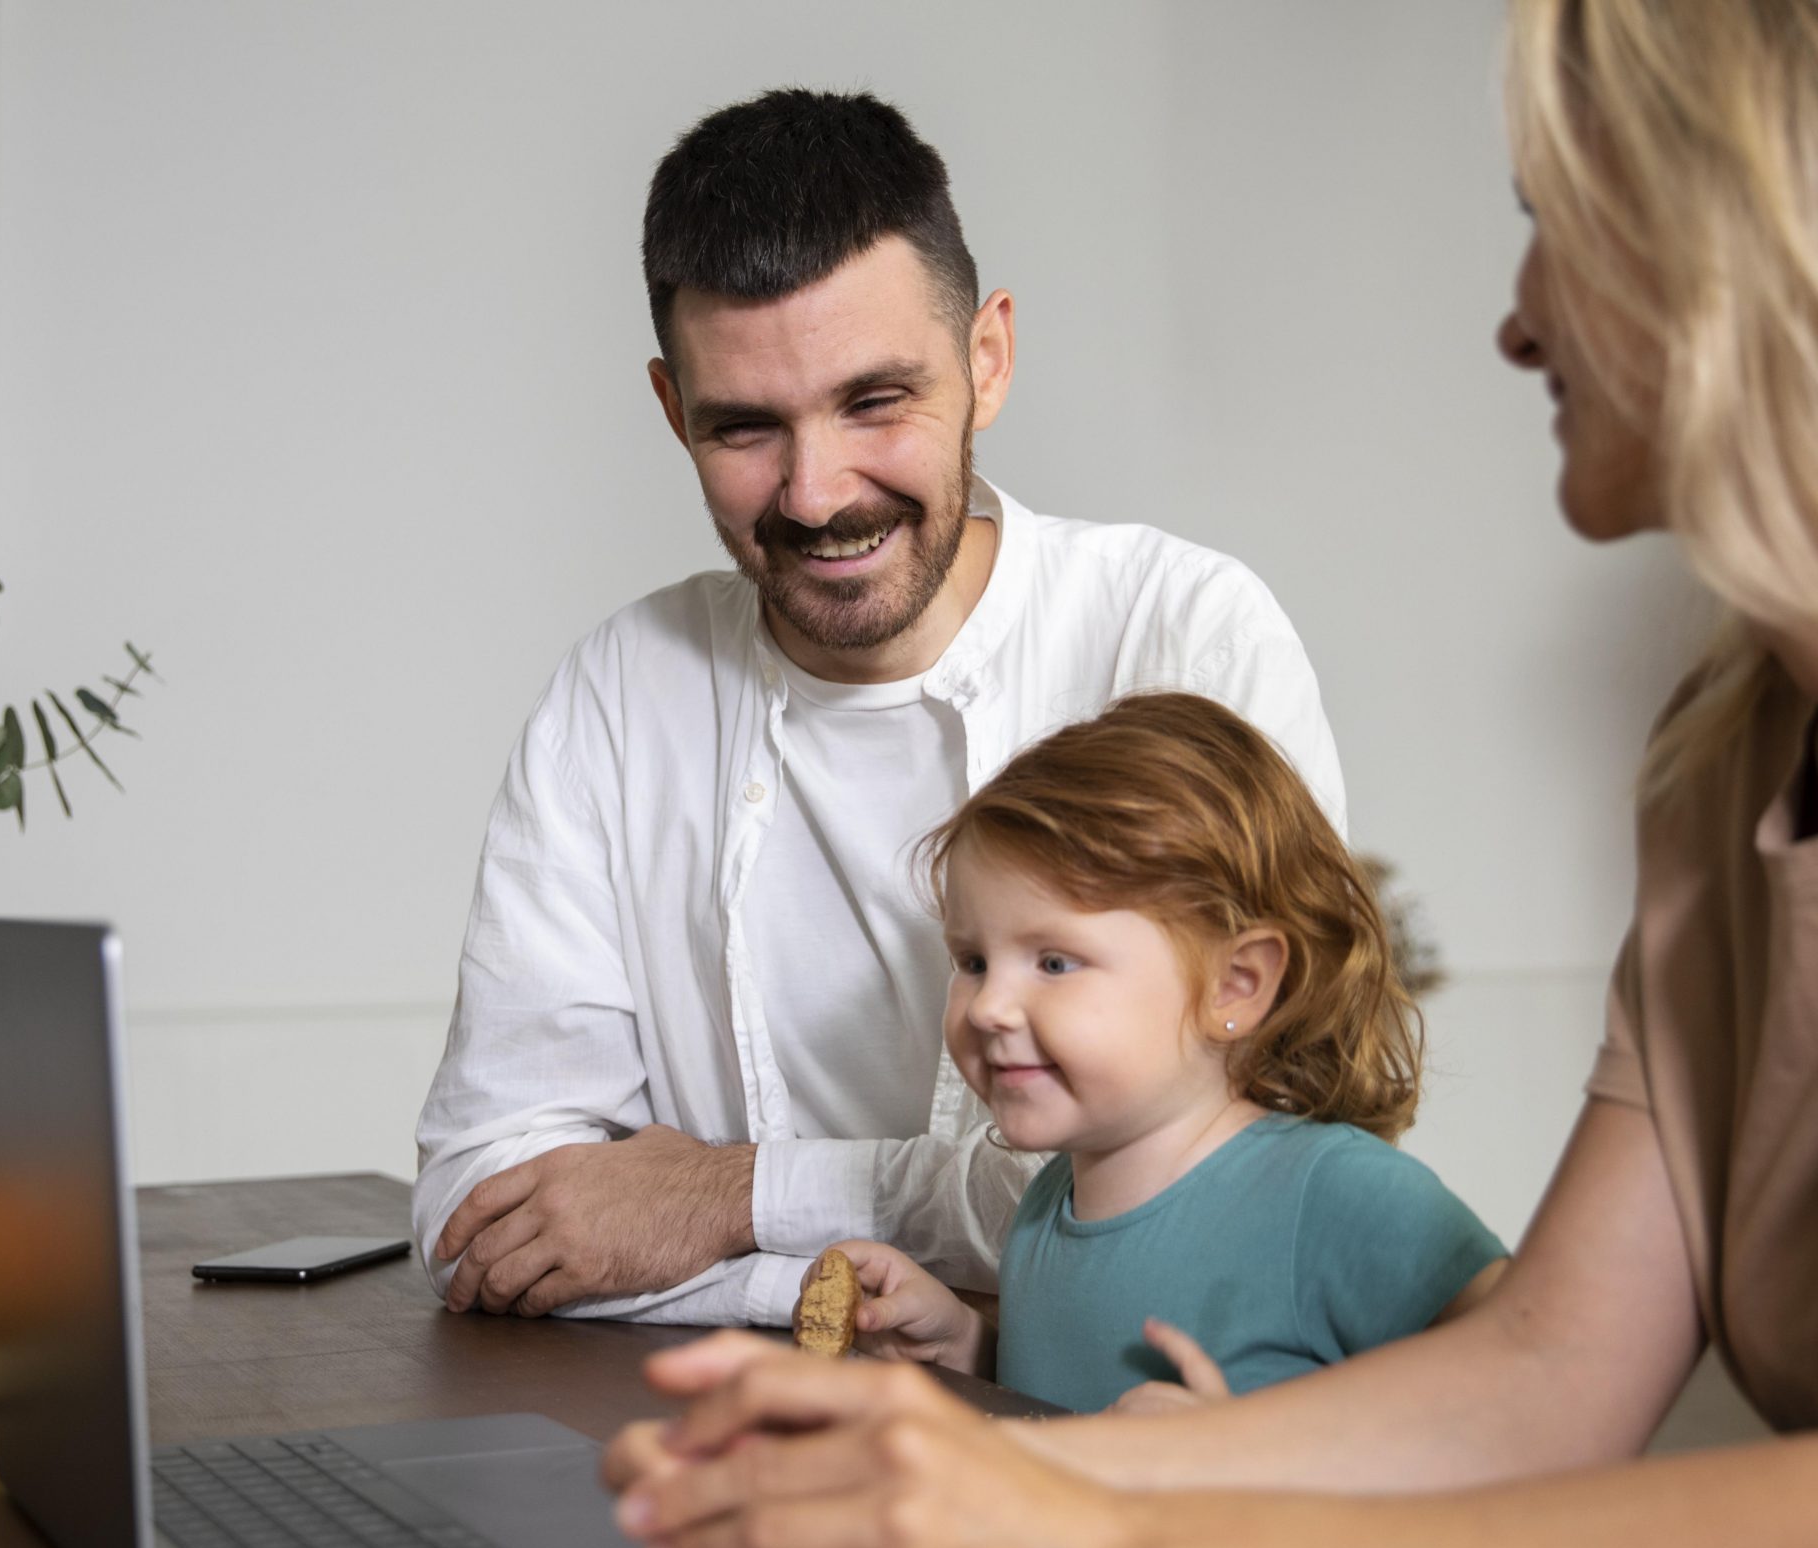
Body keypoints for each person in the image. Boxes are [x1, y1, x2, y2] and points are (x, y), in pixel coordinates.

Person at [600, 3, 1818, 1548]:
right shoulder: (1737, 751)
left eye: (1557, 234)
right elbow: (1546, 1370)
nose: (1516, 322)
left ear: (1767, 253)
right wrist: (956, 1473)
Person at [411, 89, 1343, 1328]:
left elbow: (1246, 1183)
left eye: (873, 402)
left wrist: (734, 1197)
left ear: (988, 358)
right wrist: (859, 1293)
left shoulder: (1182, 634)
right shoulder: (618, 690)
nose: (813, 493)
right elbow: (487, 1210)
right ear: (671, 408)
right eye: (744, 426)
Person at [820, 693, 1505, 1413]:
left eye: (1054, 962)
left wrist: (1244, 1454)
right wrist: (968, 1346)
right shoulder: (1048, 1207)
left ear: (1234, 986)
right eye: (973, 960)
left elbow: (1542, 1406)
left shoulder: (1340, 1197)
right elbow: (1072, 1403)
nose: (988, 1006)